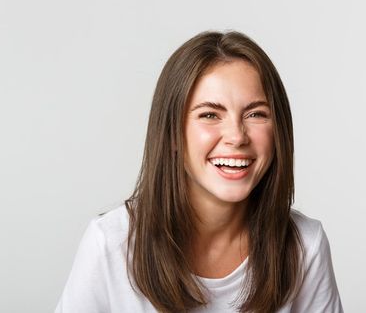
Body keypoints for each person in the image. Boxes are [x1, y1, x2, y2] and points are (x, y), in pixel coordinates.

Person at [55, 31, 344, 313]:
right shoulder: (110, 244)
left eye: (255, 114)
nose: (236, 136)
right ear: (172, 135)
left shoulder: (305, 245)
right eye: (209, 115)